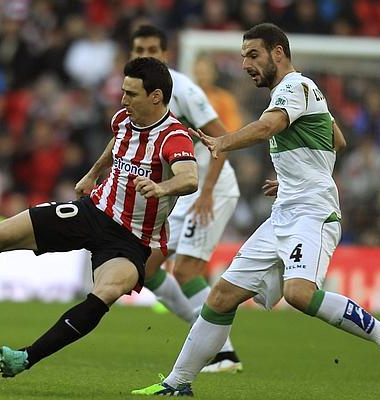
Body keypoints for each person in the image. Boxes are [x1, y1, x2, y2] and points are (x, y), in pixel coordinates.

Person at [132, 23, 380, 397]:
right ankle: (177, 383)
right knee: (221, 296)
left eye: (253, 55)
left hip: (312, 214)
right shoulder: (299, 92)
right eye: (243, 56)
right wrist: (300, 176)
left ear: (278, 53)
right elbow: (338, 139)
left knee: (299, 293)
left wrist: (222, 143)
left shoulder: (294, 86)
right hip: (285, 211)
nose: (246, 64)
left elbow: (269, 127)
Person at [0, 57, 200, 378]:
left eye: (131, 94)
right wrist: (94, 173)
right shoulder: (124, 118)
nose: (123, 100)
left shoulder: (174, 136)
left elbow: (190, 178)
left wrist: (162, 187)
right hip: (92, 212)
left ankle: (25, 357)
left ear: (156, 97)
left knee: (106, 293)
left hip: (131, 241)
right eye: (123, 92)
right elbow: (117, 143)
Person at [130, 25, 243, 373]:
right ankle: (206, 336)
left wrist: (206, 192)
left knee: (187, 268)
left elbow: (222, 139)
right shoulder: (135, 93)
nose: (144, 54)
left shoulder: (184, 90)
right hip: (183, 191)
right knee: (145, 268)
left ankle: (223, 353)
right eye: (138, 49)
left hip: (210, 187)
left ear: (165, 54)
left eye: (151, 48)